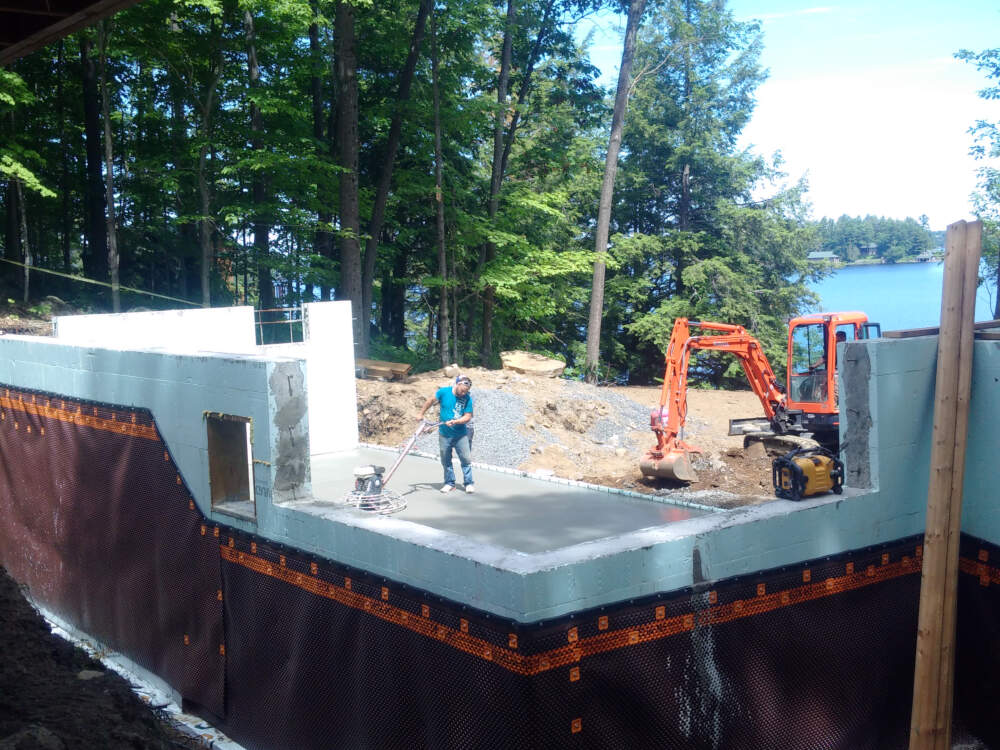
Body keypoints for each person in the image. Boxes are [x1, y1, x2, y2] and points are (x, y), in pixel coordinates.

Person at [418, 375, 475, 493]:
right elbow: (430, 401)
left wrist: (456, 421)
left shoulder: (468, 399)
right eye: (462, 390)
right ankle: (450, 483)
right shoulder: (443, 392)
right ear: (457, 384)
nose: (463, 393)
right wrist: (421, 414)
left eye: (466, 391)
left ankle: (468, 483)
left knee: (465, 459)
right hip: (444, 434)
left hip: (461, 434)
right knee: (446, 459)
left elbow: (468, 416)